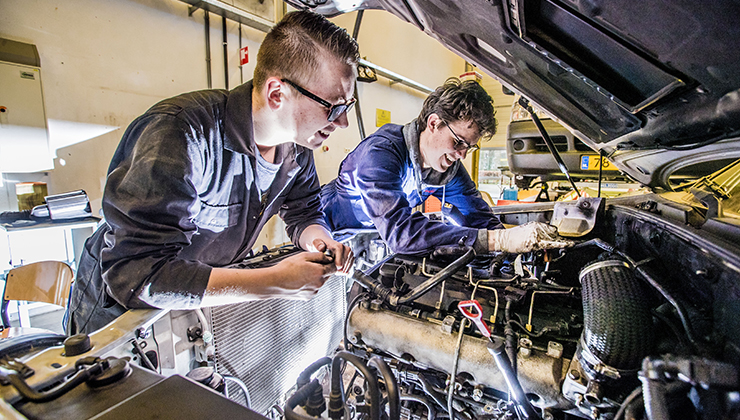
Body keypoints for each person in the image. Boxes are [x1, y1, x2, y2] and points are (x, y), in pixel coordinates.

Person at [68, 11, 359, 334]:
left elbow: (303, 210)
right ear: (277, 94)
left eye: (348, 106)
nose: (343, 122)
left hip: (194, 296)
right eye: (333, 107)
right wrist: (274, 282)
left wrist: (320, 241)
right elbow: (137, 274)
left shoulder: (297, 147)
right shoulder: (178, 133)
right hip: (117, 316)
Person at [321, 78, 569, 256]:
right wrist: (498, 240)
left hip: (374, 241)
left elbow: (478, 217)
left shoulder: (448, 170)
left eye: (469, 147)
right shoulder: (381, 154)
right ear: (433, 122)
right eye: (459, 142)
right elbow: (402, 234)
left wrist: (514, 247)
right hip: (327, 232)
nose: (461, 155)